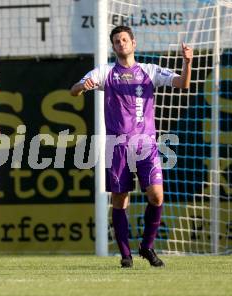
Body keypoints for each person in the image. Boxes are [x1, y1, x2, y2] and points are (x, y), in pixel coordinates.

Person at [70, 26, 193, 268]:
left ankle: (147, 246)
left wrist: (187, 63)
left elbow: (182, 83)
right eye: (116, 41)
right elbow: (74, 89)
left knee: (156, 196)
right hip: (117, 146)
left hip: (146, 145)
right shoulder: (105, 72)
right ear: (113, 46)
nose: (121, 43)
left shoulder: (149, 71)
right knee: (119, 199)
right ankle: (126, 255)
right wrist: (83, 86)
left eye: (125, 39)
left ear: (133, 43)